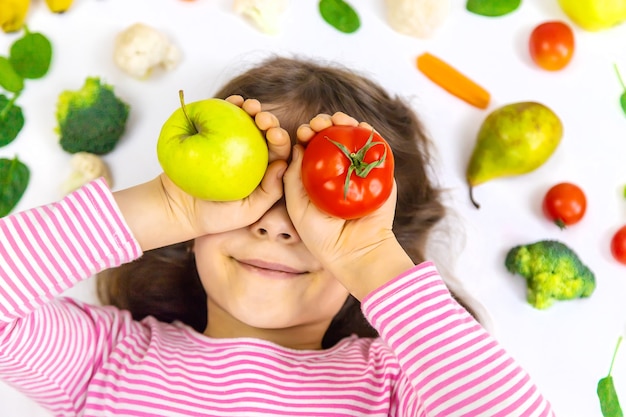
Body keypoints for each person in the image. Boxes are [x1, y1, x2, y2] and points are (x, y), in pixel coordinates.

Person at [0, 56, 554, 416]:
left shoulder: (392, 388)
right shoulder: (110, 359)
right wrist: (164, 206)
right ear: (191, 231)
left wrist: (368, 258)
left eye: (318, 205)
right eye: (252, 191)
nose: (276, 223)